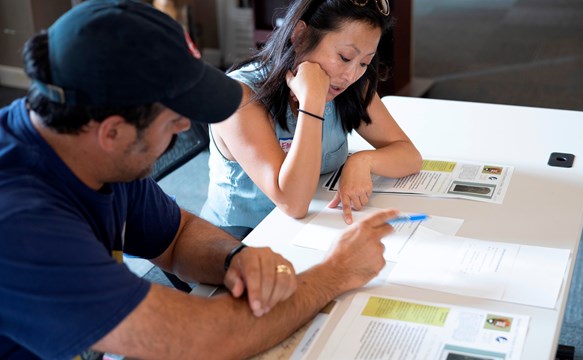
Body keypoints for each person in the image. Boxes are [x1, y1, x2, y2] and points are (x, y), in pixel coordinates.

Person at [0, 1, 400, 359]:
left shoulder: (97, 156)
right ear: (113, 132)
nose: (184, 131)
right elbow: (199, 340)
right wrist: (336, 273)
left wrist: (234, 259)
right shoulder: (22, 222)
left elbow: (175, 235)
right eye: (174, 121)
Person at [200, 0, 423, 239]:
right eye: (345, 57)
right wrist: (312, 103)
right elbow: (293, 204)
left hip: (307, 231)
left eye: (364, 62)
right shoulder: (241, 96)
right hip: (237, 242)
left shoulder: (351, 84)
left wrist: (363, 161)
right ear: (300, 37)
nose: (350, 75)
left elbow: (410, 156)